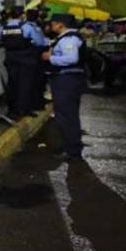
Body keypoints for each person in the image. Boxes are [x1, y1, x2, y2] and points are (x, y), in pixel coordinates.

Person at [43, 13, 88, 159]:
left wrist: (51, 58)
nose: (51, 26)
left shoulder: (69, 39)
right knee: (68, 114)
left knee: (66, 115)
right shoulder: (64, 38)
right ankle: (72, 148)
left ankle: (73, 150)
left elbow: (71, 58)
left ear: (61, 24)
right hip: (67, 79)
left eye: (53, 23)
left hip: (66, 80)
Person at [1, 6, 49, 118]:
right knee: (26, 84)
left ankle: (12, 110)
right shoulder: (26, 26)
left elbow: (0, 39)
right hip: (26, 59)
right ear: (22, 15)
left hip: (10, 58)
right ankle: (24, 109)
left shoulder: (3, 27)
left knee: (12, 84)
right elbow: (39, 42)